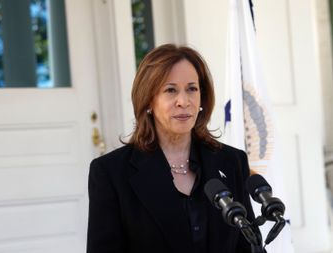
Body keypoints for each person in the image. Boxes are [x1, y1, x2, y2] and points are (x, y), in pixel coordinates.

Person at [86, 44, 255, 253]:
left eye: (192, 88)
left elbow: (248, 245)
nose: (183, 101)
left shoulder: (231, 161)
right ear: (148, 100)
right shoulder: (110, 173)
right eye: (170, 90)